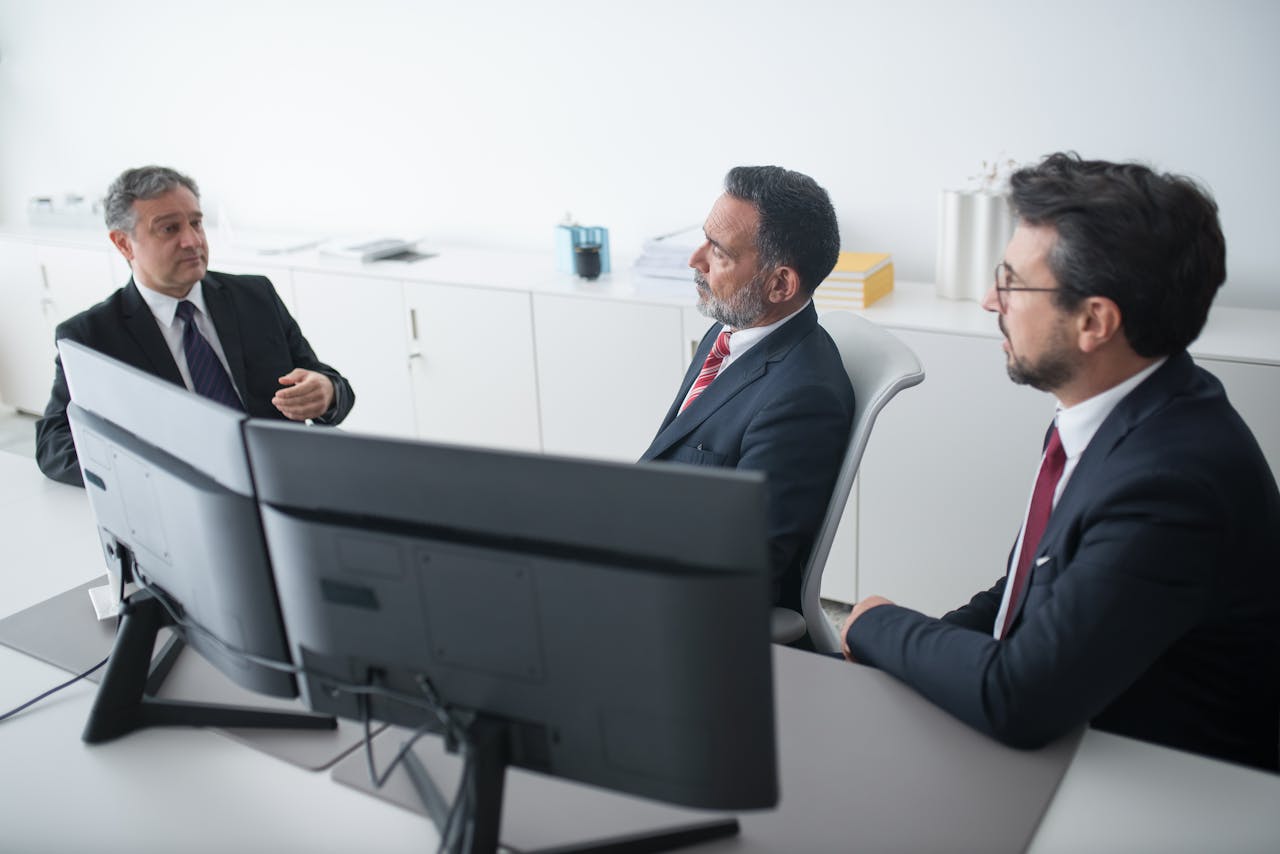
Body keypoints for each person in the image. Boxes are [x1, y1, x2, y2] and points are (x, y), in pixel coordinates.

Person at [842, 152, 1280, 772]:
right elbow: (1026, 585)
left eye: (1013, 282)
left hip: (1157, 783)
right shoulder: (1117, 407)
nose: (991, 299)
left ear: (1095, 321)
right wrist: (917, 645)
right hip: (1077, 734)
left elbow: (1021, 698)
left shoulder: (1172, 482)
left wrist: (878, 626)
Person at [35, 166, 355, 486]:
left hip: (284, 481)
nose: (191, 240)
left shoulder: (255, 297)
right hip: (182, 497)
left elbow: (327, 381)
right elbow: (54, 444)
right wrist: (148, 470)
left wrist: (327, 393)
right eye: (169, 229)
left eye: (196, 223)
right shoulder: (91, 336)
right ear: (124, 244)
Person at [640, 166, 855, 618]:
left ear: (780, 284)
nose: (694, 260)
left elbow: (745, 567)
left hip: (687, 612)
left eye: (718, 253)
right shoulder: (730, 332)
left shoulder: (803, 398)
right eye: (704, 239)